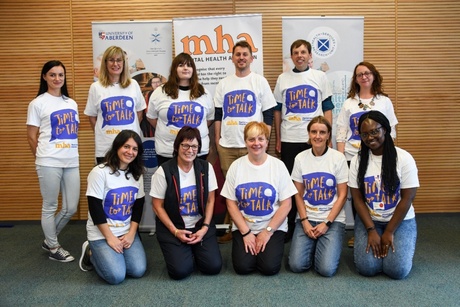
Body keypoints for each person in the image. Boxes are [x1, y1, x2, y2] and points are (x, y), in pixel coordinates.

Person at [214, 40, 277, 243]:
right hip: (228, 146)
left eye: (245, 54)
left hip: (253, 147)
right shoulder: (224, 83)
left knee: (252, 186)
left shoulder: (259, 81)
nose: (241, 57)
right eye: (237, 54)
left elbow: (268, 113)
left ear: (251, 58)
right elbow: (217, 115)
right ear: (232, 58)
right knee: (233, 190)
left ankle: (252, 227)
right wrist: (217, 140)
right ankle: (235, 229)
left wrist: (263, 139)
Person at [273, 39, 334, 242]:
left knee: (311, 181)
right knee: (291, 185)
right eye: (296, 52)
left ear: (310, 56)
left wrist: (328, 136)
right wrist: (278, 139)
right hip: (290, 138)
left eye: (303, 52)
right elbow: (277, 110)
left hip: (313, 139)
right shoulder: (283, 78)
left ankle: (314, 220)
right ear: (291, 57)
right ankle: (290, 225)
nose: (299, 55)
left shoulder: (319, 77)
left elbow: (327, 106)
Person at [220, 121, 298, 275]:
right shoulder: (236, 166)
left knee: (269, 268)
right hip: (244, 225)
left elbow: (286, 204)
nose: (256, 143)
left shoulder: (278, 166)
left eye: (260, 139)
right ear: (245, 142)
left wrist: (267, 232)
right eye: (251, 139)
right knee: (243, 267)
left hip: (272, 226)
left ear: (267, 141)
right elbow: (230, 203)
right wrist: (246, 233)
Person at [349, 111, 419, 279]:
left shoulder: (404, 158)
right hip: (370, 220)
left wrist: (388, 231)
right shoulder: (357, 160)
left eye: (374, 131)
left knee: (397, 271)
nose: (370, 137)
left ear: (385, 130)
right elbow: (357, 199)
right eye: (365, 134)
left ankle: (392, 245)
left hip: (399, 220)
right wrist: (371, 230)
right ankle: (379, 248)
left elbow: (407, 198)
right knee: (367, 268)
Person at [336, 61, 398, 247]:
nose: (364, 76)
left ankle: (381, 227)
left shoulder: (384, 101)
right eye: (359, 74)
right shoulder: (349, 103)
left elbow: (392, 131)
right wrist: (341, 158)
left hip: (379, 156)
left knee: (375, 191)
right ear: (355, 79)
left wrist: (388, 154)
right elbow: (341, 132)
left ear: (373, 75)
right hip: (352, 156)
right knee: (357, 196)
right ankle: (359, 231)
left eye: (367, 73)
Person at [150, 126, 222, 280]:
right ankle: (186, 251)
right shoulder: (163, 171)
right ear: (177, 146)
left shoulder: (205, 168)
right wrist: (175, 231)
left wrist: (205, 228)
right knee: (180, 272)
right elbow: (157, 206)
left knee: (213, 267)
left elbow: (211, 200)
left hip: (200, 226)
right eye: (185, 145)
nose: (190, 150)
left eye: (194, 146)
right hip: (174, 228)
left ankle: (193, 249)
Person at [26, 60, 80, 263]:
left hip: (71, 160)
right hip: (48, 161)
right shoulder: (38, 103)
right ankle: (54, 246)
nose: (57, 78)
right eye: (52, 75)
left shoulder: (71, 103)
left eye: (61, 75)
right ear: (44, 77)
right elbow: (32, 136)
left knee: (71, 207)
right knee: (50, 205)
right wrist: (42, 158)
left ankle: (49, 239)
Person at [79, 130, 147, 285]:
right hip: (102, 234)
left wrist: (131, 233)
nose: (130, 152)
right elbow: (95, 208)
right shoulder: (100, 172)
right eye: (126, 146)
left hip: (125, 232)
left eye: (134, 149)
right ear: (117, 147)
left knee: (138, 270)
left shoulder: (137, 174)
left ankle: (113, 255)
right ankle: (90, 252)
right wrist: (110, 238)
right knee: (116, 276)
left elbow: (138, 206)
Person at [288, 116, 348, 277]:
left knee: (326, 270)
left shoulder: (338, 158)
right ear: (308, 134)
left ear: (328, 135)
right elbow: (298, 194)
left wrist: (326, 223)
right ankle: (315, 244)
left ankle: (321, 245)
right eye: (313, 132)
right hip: (307, 218)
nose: (317, 136)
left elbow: (342, 195)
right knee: (296, 265)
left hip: (331, 220)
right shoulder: (300, 158)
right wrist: (304, 221)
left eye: (322, 132)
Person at [147, 53, 214, 166]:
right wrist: (168, 130)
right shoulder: (160, 92)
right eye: (181, 65)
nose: (185, 68)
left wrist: (192, 132)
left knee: (196, 183)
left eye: (189, 65)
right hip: (167, 151)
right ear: (174, 69)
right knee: (169, 183)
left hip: (197, 152)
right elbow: (151, 118)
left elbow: (209, 119)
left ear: (193, 69)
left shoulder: (204, 92)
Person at [84, 45, 146, 164]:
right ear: (105, 63)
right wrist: (103, 132)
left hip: (131, 147)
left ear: (124, 63)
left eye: (119, 60)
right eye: (111, 60)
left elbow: (139, 113)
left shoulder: (133, 85)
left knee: (131, 181)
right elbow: (92, 117)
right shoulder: (96, 87)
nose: (115, 64)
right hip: (106, 147)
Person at [140, 74, 162, 138]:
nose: (156, 84)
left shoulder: (165, 94)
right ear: (151, 84)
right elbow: (147, 110)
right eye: (154, 82)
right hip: (152, 120)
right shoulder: (149, 94)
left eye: (158, 82)